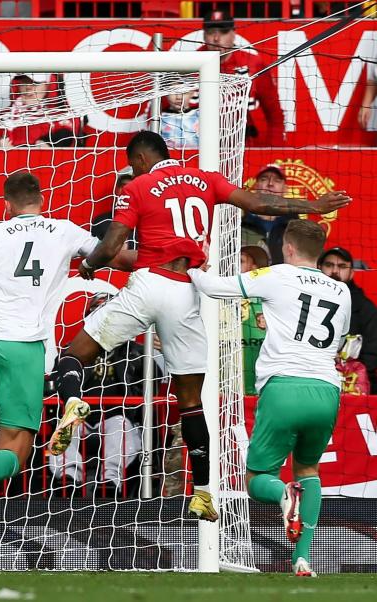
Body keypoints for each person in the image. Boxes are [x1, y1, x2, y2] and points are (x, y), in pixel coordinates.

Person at [50, 130, 351, 523]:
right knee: (190, 401)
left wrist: (90, 265)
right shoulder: (206, 178)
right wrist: (313, 204)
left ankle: (73, 400)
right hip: (187, 291)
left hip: (149, 282)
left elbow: (111, 245)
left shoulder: (139, 185)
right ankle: (205, 493)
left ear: (140, 159)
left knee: (75, 355)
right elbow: (261, 201)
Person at [0, 171, 135, 574]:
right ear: (41, 198)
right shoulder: (65, 231)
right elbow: (114, 254)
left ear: (5, 205)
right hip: (25, 348)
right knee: (15, 454)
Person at [189, 219, 351, 578]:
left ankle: (283, 495)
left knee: (258, 477)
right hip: (326, 389)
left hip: (284, 387)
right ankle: (302, 558)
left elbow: (216, 289)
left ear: (288, 248)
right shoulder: (342, 290)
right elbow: (338, 339)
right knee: (309, 470)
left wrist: (193, 268)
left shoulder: (279, 274)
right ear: (320, 251)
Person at [46, 293, 152, 498]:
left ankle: (110, 481)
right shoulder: (72, 351)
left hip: (116, 418)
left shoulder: (137, 353)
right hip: (81, 417)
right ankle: (68, 479)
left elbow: (152, 388)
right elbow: (55, 385)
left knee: (119, 425)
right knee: (68, 422)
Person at [202, 10, 284, 146]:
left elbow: (275, 115)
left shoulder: (254, 64)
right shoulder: (190, 63)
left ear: (234, 34)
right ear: (204, 35)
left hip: (244, 148)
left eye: (223, 32)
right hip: (198, 148)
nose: (216, 39)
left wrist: (274, 152)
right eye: (211, 33)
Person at [318, 246, 377, 382]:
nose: (334, 271)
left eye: (342, 266)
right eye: (329, 265)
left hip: (353, 382)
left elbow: (372, 354)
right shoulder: (306, 300)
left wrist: (348, 370)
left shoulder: (365, 308)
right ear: (319, 268)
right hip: (312, 375)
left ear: (351, 273)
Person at [0, 73, 85, 148]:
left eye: (35, 83)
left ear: (48, 86)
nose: (28, 87)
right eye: (24, 81)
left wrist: (47, 145)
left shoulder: (64, 116)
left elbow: (67, 139)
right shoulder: (3, 116)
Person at [241, 163, 295, 264]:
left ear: (285, 189)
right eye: (264, 179)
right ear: (256, 187)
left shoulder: (294, 225)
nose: (270, 184)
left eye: (277, 180)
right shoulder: (240, 222)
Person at [240, 246, 270, 395]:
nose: (233, 265)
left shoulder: (268, 303)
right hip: (228, 389)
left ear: (255, 268)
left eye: (240, 261)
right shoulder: (220, 302)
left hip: (261, 388)